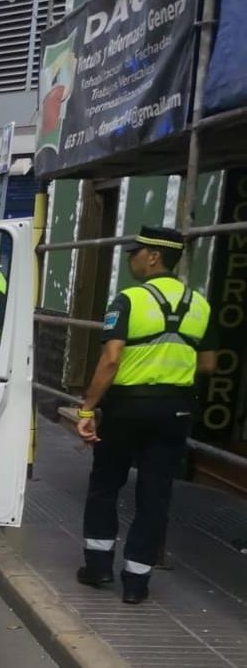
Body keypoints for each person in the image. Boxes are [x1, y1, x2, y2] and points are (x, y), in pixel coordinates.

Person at [74, 226, 216, 604]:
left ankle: (99, 567)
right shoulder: (200, 304)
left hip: (127, 406)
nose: (130, 258)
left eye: (135, 252)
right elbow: (207, 363)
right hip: (175, 407)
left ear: (154, 256)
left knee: (106, 484)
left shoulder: (128, 300)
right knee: (155, 495)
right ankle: (136, 584)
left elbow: (111, 359)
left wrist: (86, 409)